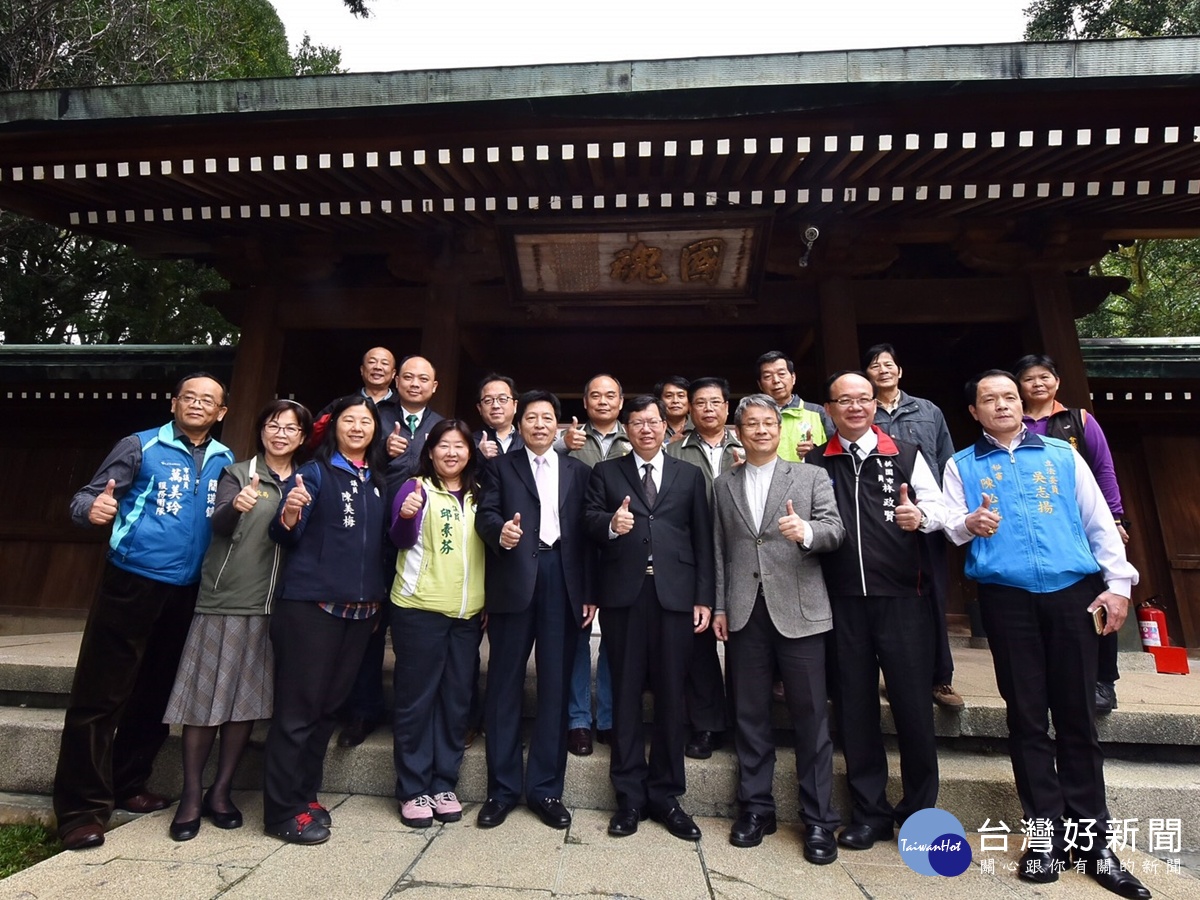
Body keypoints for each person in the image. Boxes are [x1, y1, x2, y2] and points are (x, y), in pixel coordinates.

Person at [943, 370, 1148, 900]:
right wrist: (970, 524)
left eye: (1009, 396)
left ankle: (1095, 842)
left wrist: (1119, 585)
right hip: (1006, 601)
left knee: (1078, 716)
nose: (1003, 405)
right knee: (1028, 718)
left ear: (1024, 403)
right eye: (989, 399)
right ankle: (1043, 838)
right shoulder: (962, 464)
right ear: (974, 412)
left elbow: (1098, 521)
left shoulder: (1061, 455)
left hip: (1071, 596)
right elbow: (948, 524)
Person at [53, 373, 233, 852]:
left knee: (155, 694)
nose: (197, 405)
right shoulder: (140, 446)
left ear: (221, 413)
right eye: (189, 397)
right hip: (132, 580)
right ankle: (80, 811)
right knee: (100, 697)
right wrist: (91, 509)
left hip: (187, 590)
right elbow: (88, 496)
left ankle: (128, 782)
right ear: (174, 403)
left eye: (208, 401)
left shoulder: (225, 459)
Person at [806, 371, 947, 851]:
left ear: (875, 404)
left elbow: (942, 509)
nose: (855, 407)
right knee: (855, 709)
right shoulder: (813, 464)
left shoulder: (904, 454)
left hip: (903, 600)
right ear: (828, 409)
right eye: (844, 400)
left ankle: (920, 813)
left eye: (863, 399)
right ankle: (869, 813)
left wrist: (922, 517)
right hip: (842, 603)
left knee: (912, 708)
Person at [163, 400, 312, 841]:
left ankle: (221, 792)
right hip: (226, 600)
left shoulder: (306, 480)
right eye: (273, 425)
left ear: (302, 437)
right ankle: (191, 796)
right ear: (261, 430)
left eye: (290, 428)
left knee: (245, 703)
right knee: (205, 701)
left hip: (275, 607)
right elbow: (220, 522)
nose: (281, 434)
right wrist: (239, 505)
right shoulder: (237, 471)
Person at [712, 394, 843, 862]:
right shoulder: (723, 483)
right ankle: (755, 808)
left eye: (769, 422)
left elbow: (835, 529)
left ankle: (819, 820)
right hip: (746, 612)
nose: (761, 430)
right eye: (752, 424)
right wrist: (721, 606)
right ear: (739, 431)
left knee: (811, 718)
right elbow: (720, 551)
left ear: (778, 428)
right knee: (749, 715)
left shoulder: (810, 475)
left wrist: (805, 532)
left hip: (801, 612)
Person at [585, 395, 714, 842]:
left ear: (667, 427)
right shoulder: (606, 472)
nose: (645, 429)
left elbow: (703, 539)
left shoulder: (689, 474)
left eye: (653, 422)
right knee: (623, 693)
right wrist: (609, 525)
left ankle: (665, 795)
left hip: (675, 597)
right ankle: (629, 796)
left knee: (671, 694)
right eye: (636, 422)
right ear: (626, 427)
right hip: (624, 596)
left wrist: (705, 597)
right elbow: (588, 521)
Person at [263, 395, 388, 844]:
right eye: (349, 420)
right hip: (311, 608)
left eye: (365, 421)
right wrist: (291, 511)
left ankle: (305, 794)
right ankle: (280, 811)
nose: (357, 427)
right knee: (298, 711)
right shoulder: (313, 474)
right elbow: (284, 533)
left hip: (359, 613)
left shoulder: (378, 481)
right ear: (334, 428)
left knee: (328, 709)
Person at [474, 390, 596, 830]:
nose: (540, 425)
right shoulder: (498, 467)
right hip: (513, 580)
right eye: (531, 418)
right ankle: (502, 790)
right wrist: (500, 533)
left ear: (559, 426)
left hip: (563, 579)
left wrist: (588, 591)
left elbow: (586, 534)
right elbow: (484, 515)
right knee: (504, 685)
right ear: (519, 424)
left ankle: (546, 789)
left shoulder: (578, 472)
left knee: (555, 687)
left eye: (548, 418)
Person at [1013, 353, 1130, 716]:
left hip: (1083, 521)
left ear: (1057, 381)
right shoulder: (1012, 424)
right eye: (1029, 378)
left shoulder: (1078, 420)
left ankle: (1103, 680)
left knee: (1100, 594)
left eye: (1044, 376)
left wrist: (1115, 519)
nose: (1037, 384)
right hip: (1038, 526)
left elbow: (1104, 468)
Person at [337, 352, 444, 749]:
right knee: (368, 626)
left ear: (435, 387)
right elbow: (353, 463)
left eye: (424, 379)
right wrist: (385, 451)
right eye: (409, 377)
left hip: (426, 541)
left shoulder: (442, 427)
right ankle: (362, 710)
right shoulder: (371, 416)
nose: (415, 384)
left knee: (415, 632)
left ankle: (412, 715)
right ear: (397, 381)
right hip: (375, 535)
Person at [388, 420, 486, 828]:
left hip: (467, 616)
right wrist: (408, 516)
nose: (451, 453)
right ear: (429, 452)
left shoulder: (481, 495)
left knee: (455, 700)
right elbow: (398, 537)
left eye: (460, 446)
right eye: (443, 446)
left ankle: (444, 782)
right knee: (416, 700)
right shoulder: (415, 489)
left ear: (470, 453)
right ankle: (412, 787)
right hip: (419, 609)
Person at [863, 343, 963, 710]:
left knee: (933, 595)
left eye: (889, 364)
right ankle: (893, 675)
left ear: (899, 371)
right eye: (875, 366)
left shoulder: (928, 410)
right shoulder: (863, 411)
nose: (883, 370)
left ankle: (941, 678)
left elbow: (948, 461)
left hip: (927, 517)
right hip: (877, 521)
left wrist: (949, 514)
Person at [666, 376, 742, 759]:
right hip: (693, 551)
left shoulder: (747, 446)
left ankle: (745, 723)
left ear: (727, 408)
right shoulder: (675, 451)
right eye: (700, 403)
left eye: (715, 402)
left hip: (743, 551)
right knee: (698, 642)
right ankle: (706, 725)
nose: (708, 408)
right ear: (690, 411)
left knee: (746, 640)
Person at [561, 374, 629, 756]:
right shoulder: (569, 441)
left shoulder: (635, 435)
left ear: (621, 402)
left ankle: (609, 717)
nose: (603, 401)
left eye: (610, 396)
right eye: (595, 396)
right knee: (578, 637)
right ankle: (577, 720)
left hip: (623, 550)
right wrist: (560, 446)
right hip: (577, 548)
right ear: (584, 402)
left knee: (616, 639)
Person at [756, 350, 834, 463]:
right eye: (768, 376)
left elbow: (836, 452)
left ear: (793, 378)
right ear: (760, 385)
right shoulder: (754, 417)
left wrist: (815, 453)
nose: (776, 380)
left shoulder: (817, 412)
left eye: (781, 374)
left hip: (810, 478)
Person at [474, 373, 524, 460]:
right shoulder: (469, 442)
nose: (496, 406)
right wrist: (479, 456)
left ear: (515, 406)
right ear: (479, 408)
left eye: (502, 399)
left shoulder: (527, 441)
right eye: (488, 400)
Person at [654, 375, 692, 442]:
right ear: (659, 400)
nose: (675, 401)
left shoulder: (699, 424)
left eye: (681, 396)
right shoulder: (649, 424)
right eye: (669, 396)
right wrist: (668, 442)